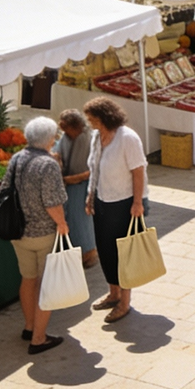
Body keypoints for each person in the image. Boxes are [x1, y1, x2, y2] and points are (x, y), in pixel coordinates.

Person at [6, 117, 70, 354]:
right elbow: (52, 202)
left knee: (28, 278)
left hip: (19, 231)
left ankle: (29, 326)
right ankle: (39, 338)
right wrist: (62, 223)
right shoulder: (48, 164)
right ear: (50, 139)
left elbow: (5, 189)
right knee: (47, 285)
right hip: (43, 232)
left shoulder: (17, 158)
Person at [83, 96, 147, 323]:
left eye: (92, 119)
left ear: (104, 117)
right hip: (102, 201)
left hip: (124, 202)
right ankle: (113, 293)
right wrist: (90, 196)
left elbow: (138, 171)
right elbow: (94, 168)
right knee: (106, 249)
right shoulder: (96, 137)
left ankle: (125, 303)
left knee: (124, 252)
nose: (90, 123)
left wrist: (137, 203)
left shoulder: (127, 138)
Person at [54, 109, 97, 269]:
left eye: (65, 127)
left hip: (83, 185)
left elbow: (95, 168)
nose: (62, 129)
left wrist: (76, 178)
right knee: (71, 219)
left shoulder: (89, 139)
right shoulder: (65, 138)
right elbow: (58, 150)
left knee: (82, 221)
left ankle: (89, 254)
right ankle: (74, 252)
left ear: (76, 126)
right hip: (67, 185)